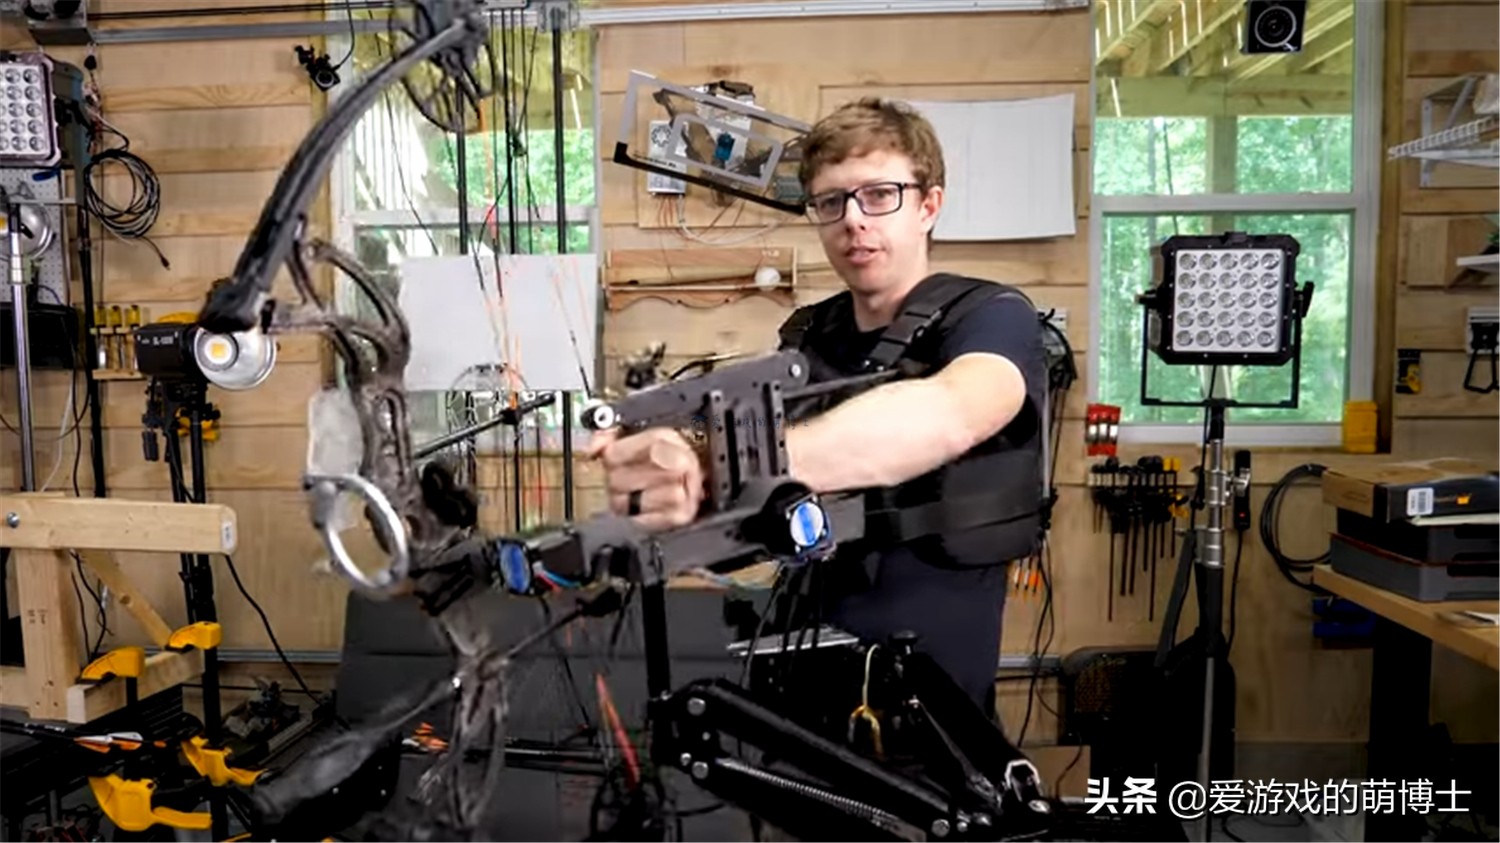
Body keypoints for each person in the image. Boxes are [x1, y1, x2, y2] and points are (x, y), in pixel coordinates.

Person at [586, 97, 1049, 714]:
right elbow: (743, 418)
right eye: (831, 202)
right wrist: (673, 441)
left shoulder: (993, 317)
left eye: (879, 195)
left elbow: (951, 411)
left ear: (928, 206)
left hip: (933, 687)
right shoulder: (808, 333)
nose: (853, 220)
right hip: (805, 656)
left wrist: (721, 464)